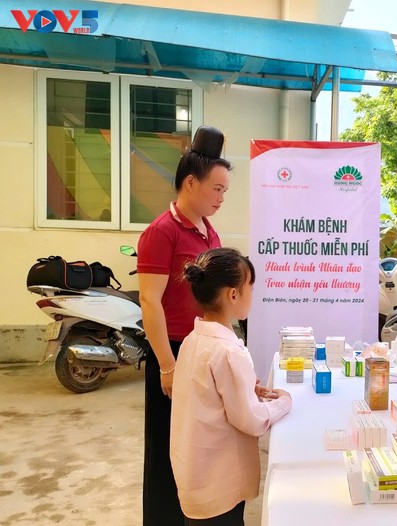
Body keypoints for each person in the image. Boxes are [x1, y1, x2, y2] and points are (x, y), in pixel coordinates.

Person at [138, 126, 231, 525]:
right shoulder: (162, 232)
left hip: (202, 351)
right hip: (173, 352)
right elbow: (149, 301)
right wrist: (167, 365)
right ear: (190, 183)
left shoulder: (209, 232)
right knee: (166, 447)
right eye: (216, 189)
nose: (221, 199)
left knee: (197, 447)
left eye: (225, 191)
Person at [171, 247, 292, 525]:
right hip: (217, 480)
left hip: (195, 472)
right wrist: (282, 402)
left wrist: (247, 389)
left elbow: (208, 396)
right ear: (233, 294)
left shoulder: (194, 340)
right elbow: (249, 419)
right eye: (250, 286)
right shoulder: (228, 351)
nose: (253, 293)